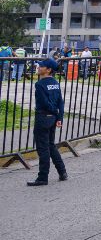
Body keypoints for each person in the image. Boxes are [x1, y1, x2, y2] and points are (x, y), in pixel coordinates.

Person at [27, 59, 67, 187]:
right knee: (50, 145)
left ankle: (42, 177)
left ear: (48, 70)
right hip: (53, 118)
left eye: (41, 66)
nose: (38, 67)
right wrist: (59, 117)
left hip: (43, 117)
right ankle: (62, 171)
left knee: (43, 148)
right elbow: (60, 102)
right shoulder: (55, 83)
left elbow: (44, 103)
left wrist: (53, 111)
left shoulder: (40, 84)